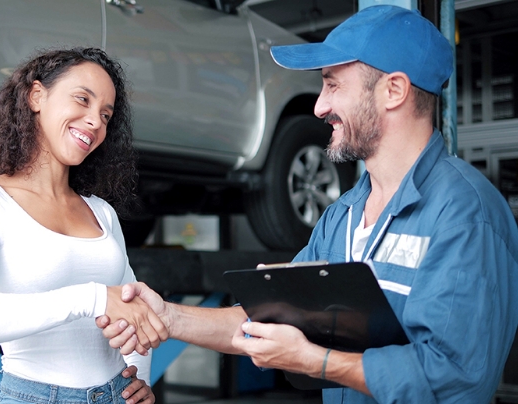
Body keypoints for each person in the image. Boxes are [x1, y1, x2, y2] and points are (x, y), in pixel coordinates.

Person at [96, 5, 518, 403]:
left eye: (333, 84)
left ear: (394, 90)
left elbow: (454, 379)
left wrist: (314, 361)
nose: (319, 106)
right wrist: (168, 318)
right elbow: (271, 318)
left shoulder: (465, 215)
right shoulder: (343, 216)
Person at [0, 47, 167, 404]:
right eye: (82, 99)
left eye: (106, 115)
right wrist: (91, 298)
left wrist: (139, 376)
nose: (95, 121)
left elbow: (132, 306)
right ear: (36, 96)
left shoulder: (101, 212)